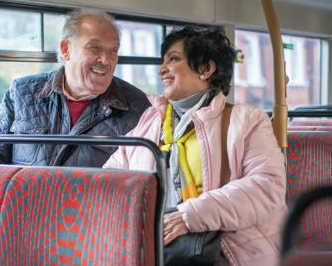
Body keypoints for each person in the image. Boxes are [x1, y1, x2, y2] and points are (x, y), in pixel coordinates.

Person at [104, 27, 286, 266]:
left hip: (226, 248)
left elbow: (267, 188)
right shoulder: (152, 120)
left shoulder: (246, 120)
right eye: (163, 61)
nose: (162, 69)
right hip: (156, 242)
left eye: (173, 59)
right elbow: (112, 177)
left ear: (206, 69)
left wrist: (189, 216)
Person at [0, 8, 150, 167]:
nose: (106, 60)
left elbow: (146, 182)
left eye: (113, 51)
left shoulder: (138, 108)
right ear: (65, 49)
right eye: (95, 48)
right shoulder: (22, 93)